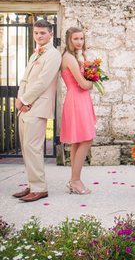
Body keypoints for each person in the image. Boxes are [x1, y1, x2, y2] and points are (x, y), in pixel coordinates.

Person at [13, 19, 62, 202]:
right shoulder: (34, 55)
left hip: (38, 106)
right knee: (26, 148)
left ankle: (40, 188)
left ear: (50, 34)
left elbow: (43, 82)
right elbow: (25, 80)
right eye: (36, 33)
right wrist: (20, 100)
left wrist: (25, 100)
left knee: (33, 148)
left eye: (43, 33)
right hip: (24, 107)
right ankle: (33, 184)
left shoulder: (53, 55)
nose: (39, 36)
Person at [60, 27, 96, 195]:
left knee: (77, 141)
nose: (79, 42)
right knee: (86, 139)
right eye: (76, 39)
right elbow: (83, 84)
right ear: (69, 40)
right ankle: (75, 180)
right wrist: (93, 81)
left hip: (80, 99)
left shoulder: (77, 57)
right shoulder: (68, 58)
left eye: (81, 38)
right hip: (76, 98)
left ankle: (73, 180)